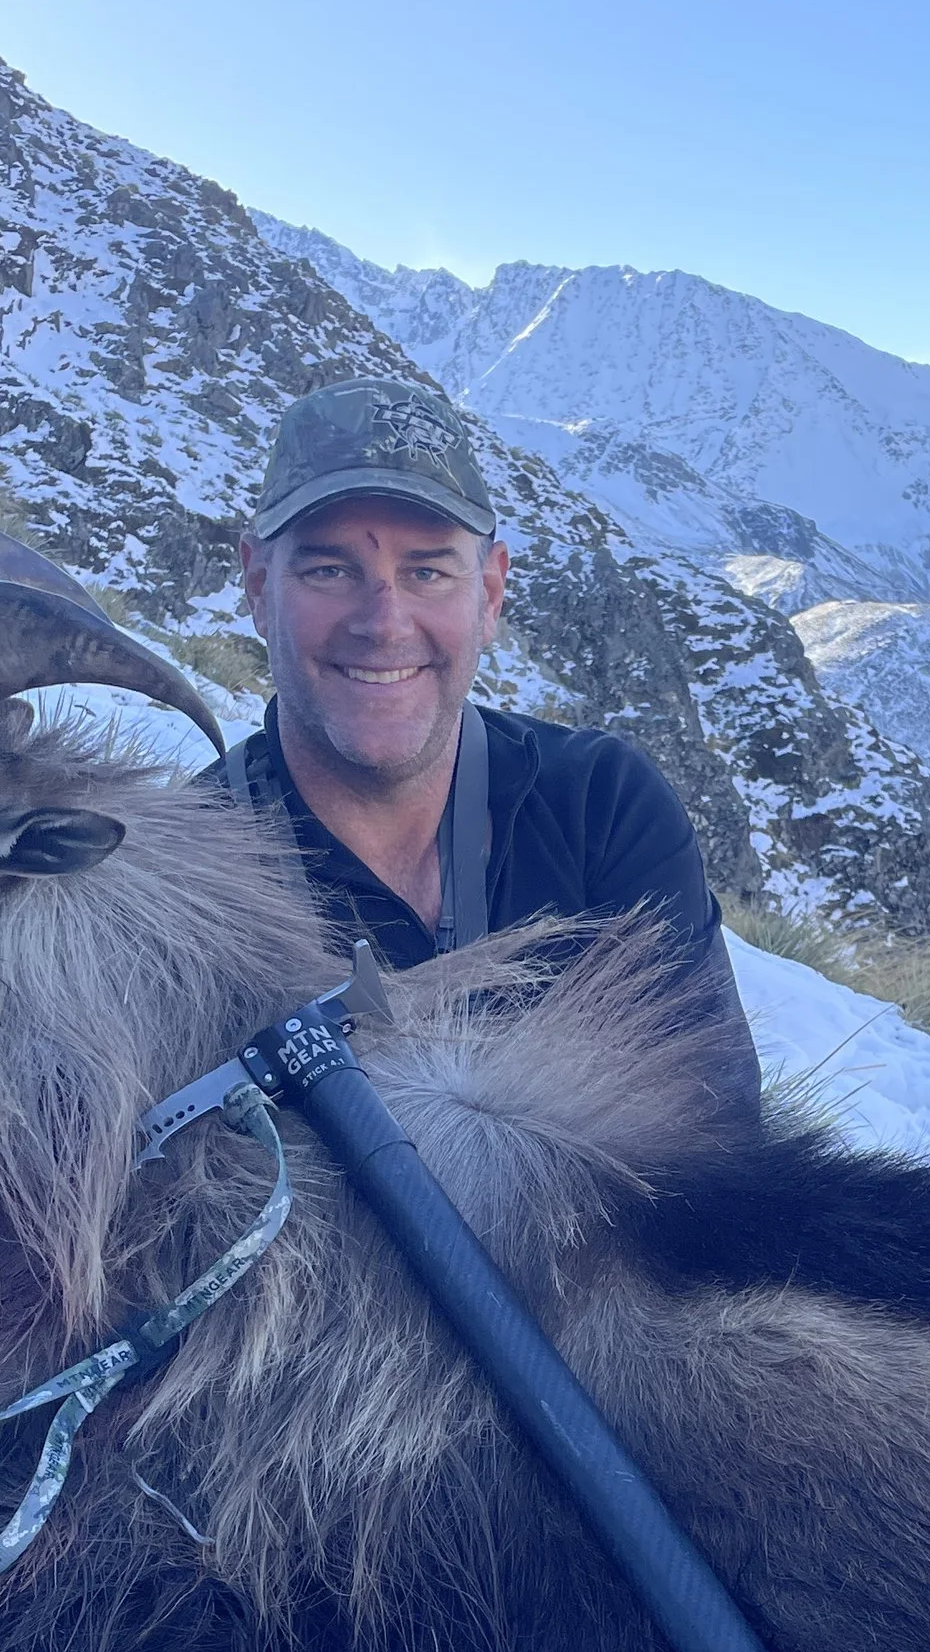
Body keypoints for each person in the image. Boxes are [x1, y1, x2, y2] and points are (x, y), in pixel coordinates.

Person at [233, 376, 761, 1114]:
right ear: (258, 585)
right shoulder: (174, 883)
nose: (384, 622)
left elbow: (718, 1147)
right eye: (329, 569)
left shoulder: (601, 812)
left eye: (427, 571)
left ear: (488, 594)